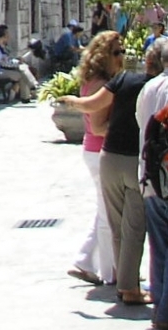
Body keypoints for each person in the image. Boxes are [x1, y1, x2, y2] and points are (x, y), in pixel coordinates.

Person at [70, 31, 124, 288]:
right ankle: (110, 271)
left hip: (95, 150)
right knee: (107, 214)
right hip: (99, 151)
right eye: (117, 52)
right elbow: (98, 126)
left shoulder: (96, 81)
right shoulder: (101, 85)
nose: (122, 57)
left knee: (104, 210)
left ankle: (85, 259)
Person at [101, 42, 153, 306]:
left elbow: (92, 104)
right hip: (135, 161)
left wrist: (72, 101)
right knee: (134, 228)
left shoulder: (122, 81)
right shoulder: (154, 88)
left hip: (108, 157)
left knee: (117, 226)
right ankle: (130, 288)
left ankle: (125, 284)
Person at [138, 38, 168, 330]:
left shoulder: (148, 88)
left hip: (148, 176)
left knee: (158, 246)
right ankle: (164, 314)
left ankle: (159, 304)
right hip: (166, 176)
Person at [0, 23, 37, 102]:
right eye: (2, 38)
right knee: (21, 74)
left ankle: (28, 92)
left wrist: (17, 62)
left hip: (1, 69)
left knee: (23, 69)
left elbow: (7, 59)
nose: (4, 40)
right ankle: (29, 91)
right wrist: (17, 63)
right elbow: (3, 62)